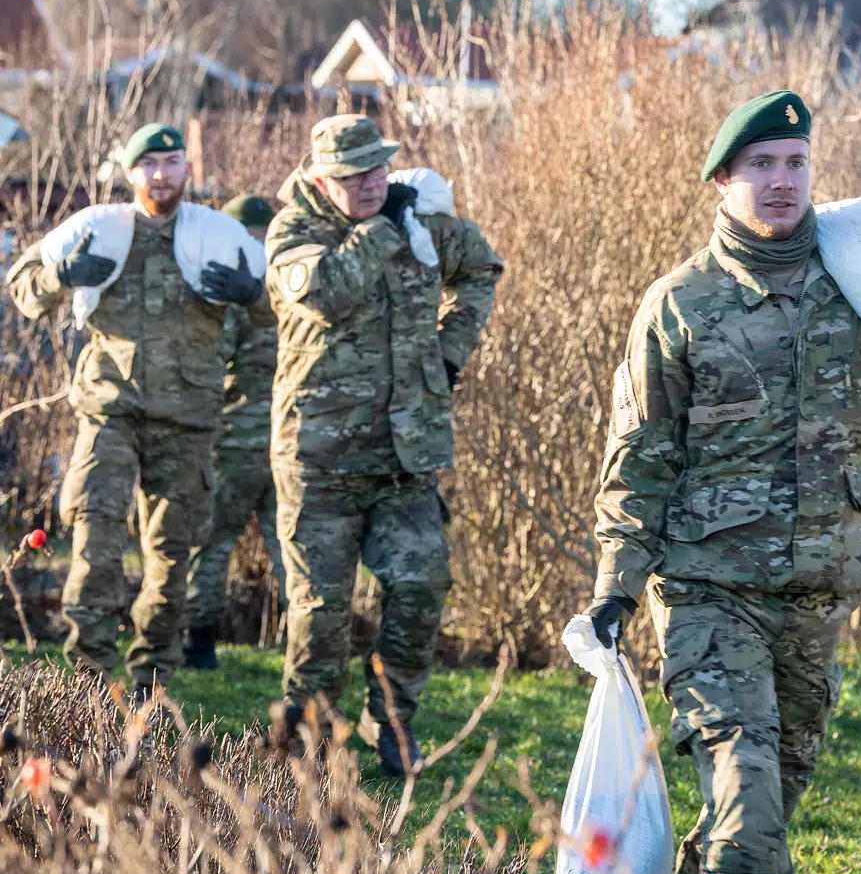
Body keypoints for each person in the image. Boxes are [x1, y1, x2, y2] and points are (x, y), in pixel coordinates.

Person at [585, 90, 861, 874]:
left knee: (769, 797)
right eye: (761, 165)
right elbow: (640, 458)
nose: (782, 181)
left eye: (796, 163)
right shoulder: (680, 303)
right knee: (746, 799)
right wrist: (616, 587)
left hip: (820, 585)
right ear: (722, 180)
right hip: (708, 589)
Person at [265, 115, 504, 776]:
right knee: (320, 615)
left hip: (405, 455)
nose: (370, 184)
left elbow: (482, 267)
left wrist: (449, 353)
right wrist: (382, 229)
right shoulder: (294, 232)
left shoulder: (418, 224)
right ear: (320, 179)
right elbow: (328, 293)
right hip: (320, 461)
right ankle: (308, 730)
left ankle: (391, 719)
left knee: (423, 586)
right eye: (351, 176)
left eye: (378, 169)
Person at [5, 124, 274, 696]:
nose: (161, 174)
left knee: (172, 561)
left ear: (186, 169)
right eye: (149, 164)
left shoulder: (217, 237)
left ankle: (150, 686)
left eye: (172, 162)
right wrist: (61, 276)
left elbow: (288, 304)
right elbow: (23, 287)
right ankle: (87, 688)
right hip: (111, 413)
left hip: (187, 421)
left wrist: (252, 293)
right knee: (96, 543)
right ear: (131, 173)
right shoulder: (100, 230)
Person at [182, 195, 287, 669]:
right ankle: (307, 652)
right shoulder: (295, 281)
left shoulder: (228, 285)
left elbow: (207, 359)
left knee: (212, 545)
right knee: (294, 548)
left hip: (238, 437)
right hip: (293, 438)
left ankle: (198, 646)